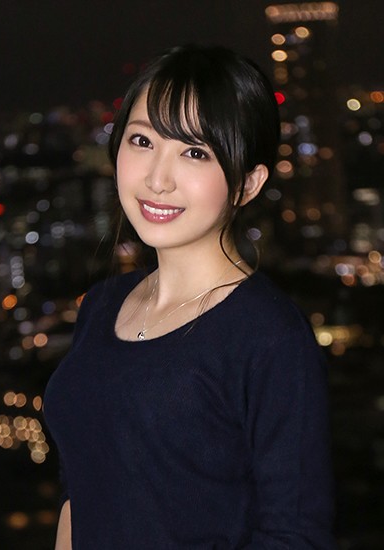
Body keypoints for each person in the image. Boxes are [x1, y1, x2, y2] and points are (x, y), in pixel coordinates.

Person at [44, 44, 336, 549]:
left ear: (248, 183)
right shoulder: (102, 305)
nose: (157, 179)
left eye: (195, 152)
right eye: (142, 141)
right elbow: (81, 492)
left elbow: (295, 537)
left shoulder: (268, 337)